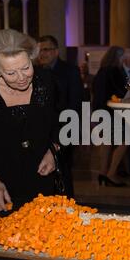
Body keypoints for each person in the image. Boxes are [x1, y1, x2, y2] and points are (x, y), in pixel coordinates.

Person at [0, 29, 60, 211]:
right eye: (11, 73)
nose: (21, 78)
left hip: (43, 178)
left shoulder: (46, 82)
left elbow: (65, 125)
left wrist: (53, 152)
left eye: (26, 68)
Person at [37, 35, 83, 198]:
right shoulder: (35, 71)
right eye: (39, 50)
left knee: (63, 169)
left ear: (56, 52)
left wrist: (67, 130)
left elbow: (75, 103)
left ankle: (67, 205)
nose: (42, 53)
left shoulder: (70, 71)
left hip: (64, 128)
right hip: (42, 131)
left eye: (46, 50)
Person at [92, 46, 129, 186]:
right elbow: (119, 92)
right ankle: (111, 173)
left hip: (99, 110)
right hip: (111, 111)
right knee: (126, 140)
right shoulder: (114, 71)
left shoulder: (101, 70)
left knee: (106, 142)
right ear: (117, 57)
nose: (123, 59)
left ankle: (102, 173)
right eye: (122, 56)